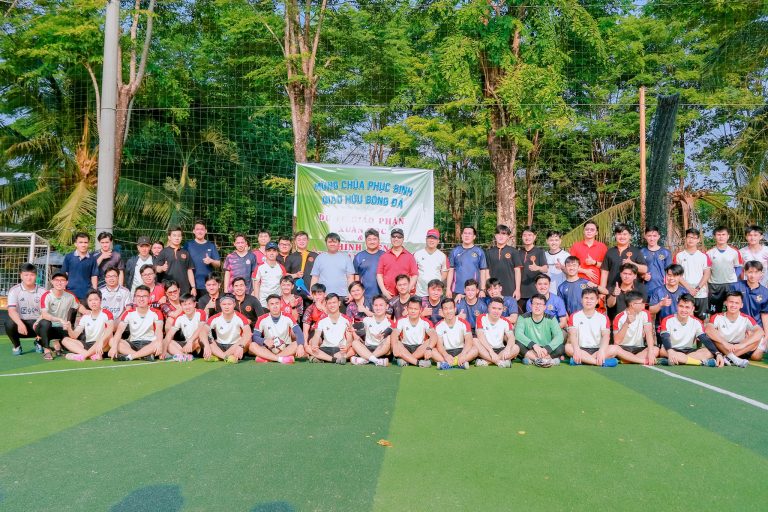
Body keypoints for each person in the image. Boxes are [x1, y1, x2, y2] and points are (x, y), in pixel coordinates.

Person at [658, 294, 720, 367]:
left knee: (709, 352)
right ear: (677, 306)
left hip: (688, 351)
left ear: (692, 309)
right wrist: (670, 351)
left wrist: (717, 353)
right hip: (671, 349)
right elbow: (665, 338)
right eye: (681, 306)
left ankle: (679, 360)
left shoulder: (697, 322)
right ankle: (700, 362)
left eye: (687, 307)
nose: (683, 310)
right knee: (663, 351)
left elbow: (704, 339)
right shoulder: (667, 320)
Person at [705, 291, 764, 366]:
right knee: (713, 335)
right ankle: (733, 358)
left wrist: (742, 345)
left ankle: (728, 357)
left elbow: (760, 332)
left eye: (737, 303)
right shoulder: (717, 316)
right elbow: (708, 329)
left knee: (756, 339)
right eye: (731, 302)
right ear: (725, 303)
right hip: (722, 346)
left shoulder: (746, 318)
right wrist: (725, 343)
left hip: (738, 348)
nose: (733, 305)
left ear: (741, 305)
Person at [109, 285, 163, 362]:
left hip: (150, 343)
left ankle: (131, 356)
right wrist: (114, 347)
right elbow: (119, 331)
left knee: (160, 342)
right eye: (138, 296)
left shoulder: (156, 312)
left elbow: (159, 330)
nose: (141, 299)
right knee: (112, 341)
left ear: (149, 298)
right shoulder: (128, 313)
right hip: (133, 344)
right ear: (134, 298)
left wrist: (159, 343)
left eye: (144, 296)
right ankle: (143, 356)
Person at [565, 288, 618, 367]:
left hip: (597, 350)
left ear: (597, 301)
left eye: (592, 298)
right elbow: (572, 335)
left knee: (614, 348)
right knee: (568, 347)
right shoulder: (574, 316)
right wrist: (576, 350)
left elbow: (606, 336)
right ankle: (597, 362)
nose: (588, 301)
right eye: (586, 298)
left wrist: (601, 351)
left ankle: (582, 361)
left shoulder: (603, 317)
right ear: (581, 300)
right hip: (581, 349)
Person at [36, 272, 79, 360]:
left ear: (66, 282)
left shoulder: (70, 296)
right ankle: (46, 350)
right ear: (52, 282)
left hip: (61, 327)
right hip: (45, 326)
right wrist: (59, 319)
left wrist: (89, 312)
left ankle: (52, 343)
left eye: (62, 280)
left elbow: (79, 307)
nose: (59, 282)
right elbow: (44, 315)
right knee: (45, 323)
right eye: (56, 280)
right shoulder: (46, 295)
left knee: (69, 345)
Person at [249, 294, 304, 364]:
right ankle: (281, 359)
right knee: (252, 345)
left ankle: (269, 358)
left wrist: (300, 345)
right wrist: (264, 341)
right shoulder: (262, 319)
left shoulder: (288, 317)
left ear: (281, 305)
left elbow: (298, 332)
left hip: (285, 348)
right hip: (269, 348)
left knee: (297, 344)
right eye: (272, 304)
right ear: (268, 306)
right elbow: (255, 336)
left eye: (277, 303)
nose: (275, 306)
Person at [61, 289, 113, 361]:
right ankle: (91, 355)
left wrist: (101, 341)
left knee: (106, 339)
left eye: (96, 299)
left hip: (102, 344)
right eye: (90, 300)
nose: (93, 302)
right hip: (88, 344)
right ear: (87, 302)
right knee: (65, 340)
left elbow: (110, 329)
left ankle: (83, 355)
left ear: (100, 301)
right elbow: (74, 336)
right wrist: (69, 329)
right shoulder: (85, 316)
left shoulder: (106, 313)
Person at [5, 263, 45, 356]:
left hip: (37, 323)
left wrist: (38, 323)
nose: (29, 278)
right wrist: (20, 323)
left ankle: (39, 342)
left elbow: (46, 311)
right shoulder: (14, 290)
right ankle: (17, 346)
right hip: (21, 324)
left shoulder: (43, 291)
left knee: (46, 323)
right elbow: (11, 310)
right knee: (9, 323)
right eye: (26, 275)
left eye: (32, 275)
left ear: (36, 276)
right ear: (21, 276)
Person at [514, 293, 564, 367]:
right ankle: (543, 360)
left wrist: (547, 349)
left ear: (544, 307)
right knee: (517, 343)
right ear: (531, 306)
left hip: (546, 350)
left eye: (540, 304)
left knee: (561, 348)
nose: (537, 306)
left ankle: (535, 359)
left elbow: (559, 336)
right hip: (530, 347)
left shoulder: (551, 318)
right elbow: (518, 334)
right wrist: (533, 345)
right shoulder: (523, 317)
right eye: (535, 304)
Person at [729, 261, 768, 350]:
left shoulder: (765, 293)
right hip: (737, 326)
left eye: (756, 272)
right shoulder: (735, 287)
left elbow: (765, 315)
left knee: (756, 355)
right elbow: (730, 308)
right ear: (745, 272)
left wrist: (766, 335)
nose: (753, 275)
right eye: (750, 272)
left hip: (756, 329)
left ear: (761, 274)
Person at [672, 228, 711, 319]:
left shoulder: (704, 256)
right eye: (689, 237)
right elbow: (677, 274)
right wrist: (689, 288)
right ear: (685, 238)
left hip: (701, 292)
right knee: (685, 317)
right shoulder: (679, 256)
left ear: (698, 240)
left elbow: (707, 273)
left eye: (694, 237)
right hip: (684, 291)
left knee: (702, 318)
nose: (691, 240)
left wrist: (697, 288)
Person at [612, 291, 658, 365]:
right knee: (614, 348)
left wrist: (650, 352)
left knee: (655, 349)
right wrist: (627, 323)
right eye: (641, 303)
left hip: (639, 348)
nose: (644, 305)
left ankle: (627, 360)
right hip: (623, 348)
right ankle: (638, 360)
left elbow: (649, 334)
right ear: (633, 304)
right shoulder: (619, 317)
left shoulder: (645, 313)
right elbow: (616, 341)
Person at [600, 224, 648, 295]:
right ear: (615, 236)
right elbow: (604, 272)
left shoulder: (636, 251)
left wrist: (632, 263)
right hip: (612, 291)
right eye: (619, 234)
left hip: (631, 292)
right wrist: (602, 291)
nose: (622, 237)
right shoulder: (610, 252)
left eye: (625, 234)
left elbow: (644, 269)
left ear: (630, 236)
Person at [204, 293, 252, 363]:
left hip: (234, 346)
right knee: (205, 339)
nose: (226, 307)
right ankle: (226, 357)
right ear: (220, 305)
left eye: (229, 304)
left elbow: (248, 332)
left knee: (248, 340)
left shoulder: (240, 317)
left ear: (234, 304)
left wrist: (241, 346)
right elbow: (203, 331)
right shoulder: (215, 317)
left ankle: (219, 357)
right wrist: (206, 345)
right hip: (219, 346)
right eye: (224, 304)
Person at [706, 226, 743, 315]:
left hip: (731, 284)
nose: (721, 237)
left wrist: (734, 277)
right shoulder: (709, 253)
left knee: (732, 309)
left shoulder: (734, 252)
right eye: (718, 234)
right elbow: (706, 270)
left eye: (723, 234)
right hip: (714, 285)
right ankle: (714, 323)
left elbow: (739, 267)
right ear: (714, 236)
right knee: (714, 311)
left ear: (728, 236)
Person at [307, 293, 353, 364]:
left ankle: (323, 358)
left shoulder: (347, 319)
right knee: (308, 347)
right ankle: (334, 359)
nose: (332, 305)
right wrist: (314, 345)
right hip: (325, 348)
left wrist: (346, 347)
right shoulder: (321, 320)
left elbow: (349, 339)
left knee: (353, 349)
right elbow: (316, 336)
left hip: (340, 349)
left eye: (334, 302)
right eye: (329, 303)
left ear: (339, 303)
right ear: (326, 305)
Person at [391, 297, 437, 367]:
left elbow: (433, 335)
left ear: (420, 310)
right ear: (407, 309)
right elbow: (394, 334)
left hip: (419, 348)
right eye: (411, 308)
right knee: (395, 341)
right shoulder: (401, 321)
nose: (413, 311)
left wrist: (429, 348)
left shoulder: (426, 322)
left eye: (415, 309)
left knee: (430, 341)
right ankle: (418, 363)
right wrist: (394, 347)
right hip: (405, 347)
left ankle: (406, 360)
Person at [311, 232, 355, 303]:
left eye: (334, 242)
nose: (332, 244)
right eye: (330, 242)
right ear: (326, 243)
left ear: (339, 243)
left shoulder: (346, 258)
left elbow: (350, 277)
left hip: (342, 295)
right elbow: (315, 277)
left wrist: (351, 293)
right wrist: (312, 293)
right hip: (323, 295)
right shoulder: (319, 257)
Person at [432, 298, 476, 369]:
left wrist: (462, 354)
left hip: (461, 350)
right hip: (446, 351)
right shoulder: (438, 326)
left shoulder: (464, 323)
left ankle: (447, 364)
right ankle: (458, 363)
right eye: (445, 309)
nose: (448, 311)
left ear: (455, 309)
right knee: (432, 351)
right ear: (442, 311)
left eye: (450, 308)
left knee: (475, 349)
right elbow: (439, 345)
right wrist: (446, 355)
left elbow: (469, 341)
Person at [447, 226, 488, 301]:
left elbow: (483, 271)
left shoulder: (479, 252)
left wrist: (482, 289)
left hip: (473, 291)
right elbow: (451, 270)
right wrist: (448, 289)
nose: (467, 235)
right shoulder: (455, 251)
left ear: (474, 237)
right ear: (462, 235)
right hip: (457, 290)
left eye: (469, 233)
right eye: (465, 233)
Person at [474, 297, 519, 367]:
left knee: (516, 348)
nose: (496, 311)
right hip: (485, 349)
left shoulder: (506, 321)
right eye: (494, 308)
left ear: (503, 309)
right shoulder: (481, 318)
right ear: (489, 308)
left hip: (500, 349)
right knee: (474, 340)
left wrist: (507, 348)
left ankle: (487, 362)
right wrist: (491, 351)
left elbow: (511, 337)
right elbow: (480, 336)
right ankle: (500, 362)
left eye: (499, 309)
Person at [350, 295, 393, 366]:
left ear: (387, 306)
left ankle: (365, 360)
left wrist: (382, 335)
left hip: (382, 351)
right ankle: (376, 360)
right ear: (372, 306)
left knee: (389, 338)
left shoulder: (390, 323)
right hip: (367, 349)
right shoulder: (366, 320)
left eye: (381, 305)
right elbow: (356, 327)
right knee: (355, 342)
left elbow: (390, 332)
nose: (378, 308)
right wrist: (353, 330)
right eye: (376, 305)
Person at [162, 293, 206, 361]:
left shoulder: (201, 313)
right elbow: (169, 335)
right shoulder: (179, 317)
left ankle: (181, 354)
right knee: (167, 342)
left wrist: (190, 341)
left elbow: (200, 328)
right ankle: (184, 356)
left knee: (199, 339)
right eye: (184, 305)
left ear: (194, 304)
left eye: (189, 304)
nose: (187, 307)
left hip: (199, 343)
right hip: (187, 344)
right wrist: (164, 351)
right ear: (181, 306)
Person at [376, 227, 418, 300]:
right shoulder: (384, 256)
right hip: (388, 295)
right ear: (390, 238)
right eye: (394, 236)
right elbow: (379, 275)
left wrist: (408, 290)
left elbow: (414, 275)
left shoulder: (409, 256)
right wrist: (384, 291)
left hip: (404, 296)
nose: (396, 239)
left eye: (399, 237)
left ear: (403, 239)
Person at [155, 226, 196, 296]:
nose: (177, 238)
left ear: (181, 237)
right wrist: (162, 268)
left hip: (184, 288)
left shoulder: (186, 252)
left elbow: (189, 270)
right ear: (169, 237)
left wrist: (193, 287)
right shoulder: (164, 252)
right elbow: (156, 268)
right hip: (169, 289)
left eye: (179, 236)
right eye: (174, 235)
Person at [183, 220, 221, 292]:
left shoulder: (211, 245)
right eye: (197, 229)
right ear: (194, 231)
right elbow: (182, 262)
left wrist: (211, 261)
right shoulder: (188, 245)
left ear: (205, 231)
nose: (200, 231)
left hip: (207, 285)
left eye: (202, 229)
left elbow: (218, 264)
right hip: (190, 284)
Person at [485, 224, 521, 299]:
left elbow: (517, 271)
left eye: (504, 234)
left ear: (508, 236)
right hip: (494, 290)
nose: (500, 236)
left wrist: (517, 289)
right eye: (498, 234)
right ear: (495, 236)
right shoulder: (489, 252)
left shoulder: (514, 251)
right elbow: (487, 272)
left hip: (510, 290)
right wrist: (489, 287)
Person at [518, 226, 548, 312]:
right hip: (520, 292)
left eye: (530, 235)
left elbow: (545, 269)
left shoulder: (539, 252)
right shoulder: (518, 252)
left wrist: (537, 268)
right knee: (522, 316)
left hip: (534, 292)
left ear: (534, 237)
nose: (527, 237)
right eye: (524, 235)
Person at [61, 232, 98, 303]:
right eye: (80, 242)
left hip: (87, 294)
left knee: (85, 310)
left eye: (85, 242)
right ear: (75, 244)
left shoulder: (92, 259)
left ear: (88, 244)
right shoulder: (69, 257)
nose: (83, 245)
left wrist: (94, 292)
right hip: (70, 293)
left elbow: (94, 276)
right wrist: (63, 290)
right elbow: (64, 275)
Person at [413, 228, 449, 299]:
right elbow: (413, 273)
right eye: (429, 238)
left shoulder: (442, 256)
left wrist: (436, 284)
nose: (431, 240)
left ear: (438, 241)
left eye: (434, 238)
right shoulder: (417, 254)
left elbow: (444, 273)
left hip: (436, 294)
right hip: (420, 293)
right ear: (426, 239)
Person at [353, 228, 385, 302]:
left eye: (374, 239)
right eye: (369, 239)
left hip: (382, 297)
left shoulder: (384, 255)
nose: (372, 242)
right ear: (366, 241)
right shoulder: (359, 256)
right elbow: (356, 278)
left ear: (379, 240)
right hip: (364, 297)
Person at [284, 231, 318, 298]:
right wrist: (295, 275)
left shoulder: (315, 256)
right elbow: (285, 275)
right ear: (295, 242)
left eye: (304, 239)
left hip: (311, 294)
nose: (301, 241)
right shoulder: (290, 257)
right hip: (295, 294)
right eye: (299, 239)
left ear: (308, 241)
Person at [641, 226, 672, 295]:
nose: (652, 239)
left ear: (658, 236)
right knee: (646, 303)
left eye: (654, 236)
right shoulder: (641, 252)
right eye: (649, 236)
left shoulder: (666, 252)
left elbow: (670, 272)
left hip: (662, 290)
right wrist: (643, 276)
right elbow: (636, 271)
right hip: (645, 290)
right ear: (645, 236)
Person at [545, 230, 570, 295]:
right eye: (551, 240)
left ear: (560, 241)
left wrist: (562, 267)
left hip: (561, 292)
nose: (554, 242)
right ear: (547, 241)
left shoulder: (566, 255)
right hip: (546, 292)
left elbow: (571, 273)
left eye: (556, 240)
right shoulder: (543, 255)